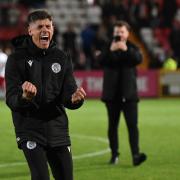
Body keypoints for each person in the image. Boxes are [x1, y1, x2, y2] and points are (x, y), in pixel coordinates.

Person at [5, 10, 86, 180]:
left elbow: (68, 93)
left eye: (48, 26)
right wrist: (24, 97)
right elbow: (11, 98)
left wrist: (74, 100)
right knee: (41, 176)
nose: (44, 30)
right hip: (30, 128)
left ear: (53, 29)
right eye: (39, 27)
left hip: (57, 128)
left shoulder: (61, 57)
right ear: (30, 31)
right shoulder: (16, 59)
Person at [98, 20, 147, 166]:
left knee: (132, 126)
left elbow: (138, 59)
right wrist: (111, 50)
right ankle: (114, 155)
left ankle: (136, 155)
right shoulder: (107, 47)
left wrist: (125, 49)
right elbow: (99, 60)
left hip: (129, 95)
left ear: (127, 33)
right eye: (117, 32)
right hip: (111, 96)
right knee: (113, 126)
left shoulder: (132, 47)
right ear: (113, 33)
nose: (119, 34)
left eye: (122, 32)